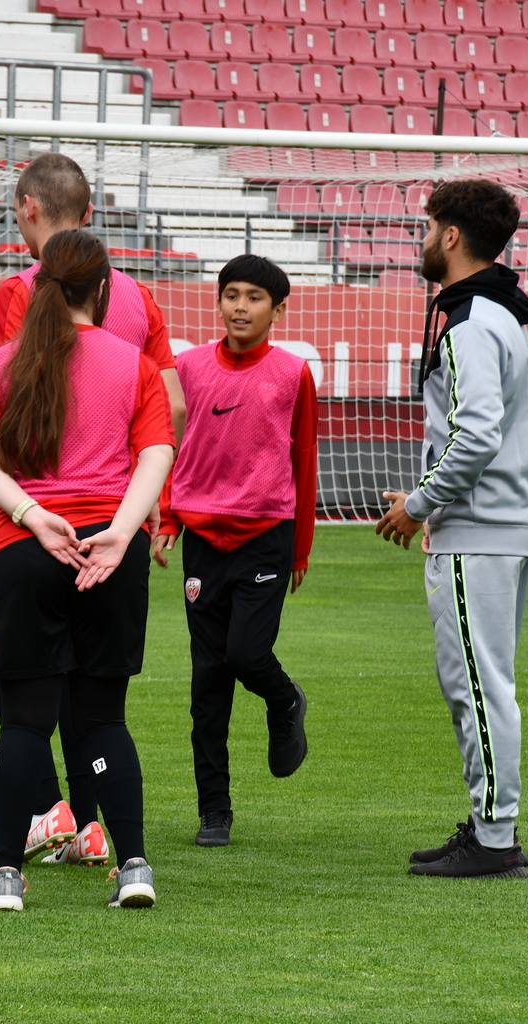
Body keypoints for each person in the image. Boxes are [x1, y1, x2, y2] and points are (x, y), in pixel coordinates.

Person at [0, 152, 186, 870]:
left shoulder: (8, 359)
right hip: (109, 550)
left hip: (27, 546)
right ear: (103, 287)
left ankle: (5, 874)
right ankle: (132, 865)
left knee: (24, 721)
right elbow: (160, 445)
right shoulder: (135, 360)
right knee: (104, 718)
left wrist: (23, 510)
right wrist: (125, 528)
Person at [375, 179, 528, 880]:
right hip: (492, 524)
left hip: (480, 529)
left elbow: (475, 436)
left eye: (427, 226)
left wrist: (420, 503)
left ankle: (495, 838)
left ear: (449, 235)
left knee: (479, 686)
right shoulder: (495, 313)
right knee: (479, 681)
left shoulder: (472, 321)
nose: (421, 239)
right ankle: (487, 823)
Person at [150, 255, 317, 849]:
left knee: (246, 653)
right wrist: (169, 514)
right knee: (208, 682)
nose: (240, 307)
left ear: (277, 309)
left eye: (254, 298)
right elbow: (171, 445)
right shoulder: (189, 367)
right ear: (218, 301)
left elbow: (304, 459)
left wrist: (300, 550)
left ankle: (284, 699)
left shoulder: (293, 373)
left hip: (265, 537)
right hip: (203, 542)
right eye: (231, 295)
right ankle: (214, 811)